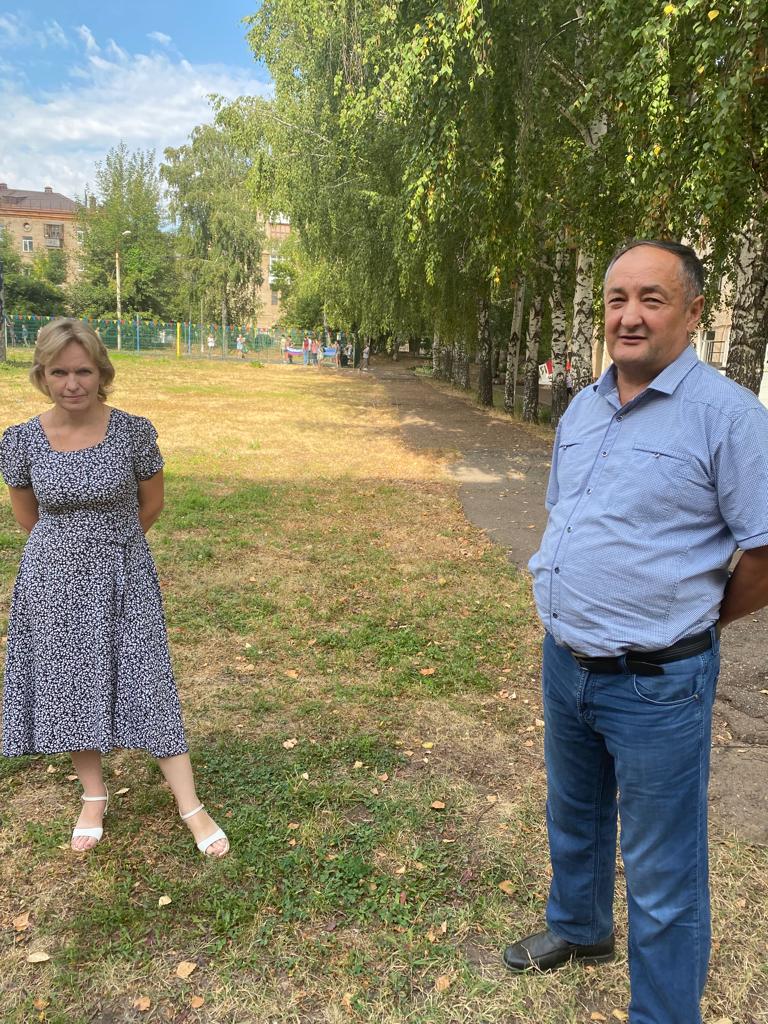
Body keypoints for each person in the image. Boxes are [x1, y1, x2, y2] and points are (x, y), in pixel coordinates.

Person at [504, 241, 768, 1023]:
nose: (629, 315)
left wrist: (695, 620)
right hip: (568, 661)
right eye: (617, 298)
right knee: (574, 812)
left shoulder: (729, 417)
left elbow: (764, 552)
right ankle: (580, 927)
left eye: (652, 299)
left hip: (658, 683)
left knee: (662, 871)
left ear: (693, 312)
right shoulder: (583, 408)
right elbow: (568, 514)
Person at [0, 319, 229, 858]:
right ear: (41, 375)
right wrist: (68, 558)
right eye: (59, 372)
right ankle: (93, 796)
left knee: (148, 681)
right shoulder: (20, 440)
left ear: (101, 373)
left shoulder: (133, 432)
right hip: (52, 583)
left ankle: (191, 806)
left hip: (124, 576)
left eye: (83, 371)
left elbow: (153, 503)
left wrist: (112, 550)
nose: (72, 383)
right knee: (71, 687)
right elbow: (28, 517)